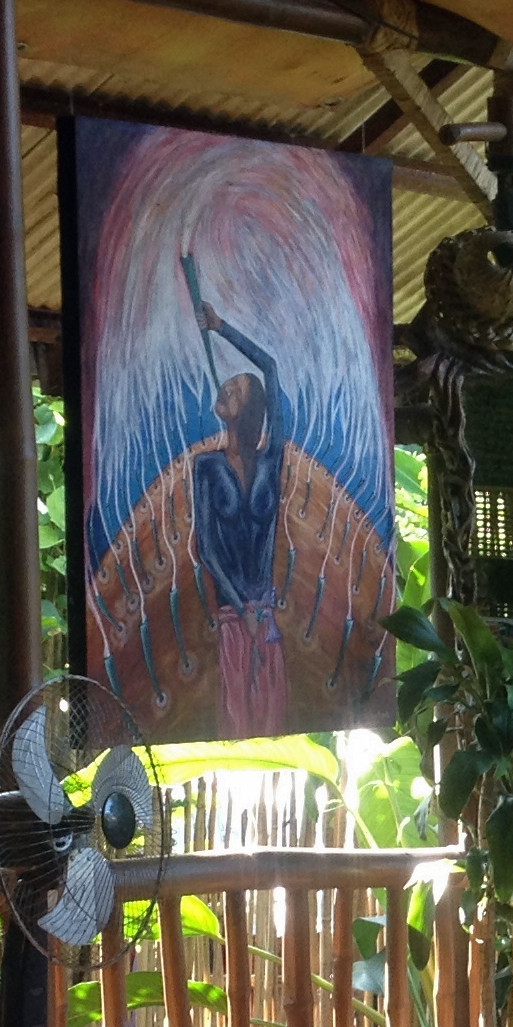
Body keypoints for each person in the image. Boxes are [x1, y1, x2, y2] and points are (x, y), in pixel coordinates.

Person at [186, 280, 289, 737]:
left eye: (237, 389)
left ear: (249, 409)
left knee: (272, 710)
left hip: (265, 611)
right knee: (236, 714)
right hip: (232, 612)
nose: (228, 386)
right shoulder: (206, 466)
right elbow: (207, 547)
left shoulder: (272, 458)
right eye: (228, 385)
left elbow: (270, 366)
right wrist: (239, 607)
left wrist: (220, 326)